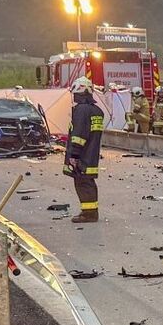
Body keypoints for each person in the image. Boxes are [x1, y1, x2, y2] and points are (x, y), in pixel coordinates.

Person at [63, 77, 105, 224]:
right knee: (89, 183)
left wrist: (74, 155)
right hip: (92, 155)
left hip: (82, 156)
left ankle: (88, 214)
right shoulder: (97, 111)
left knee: (82, 183)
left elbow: (79, 135)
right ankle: (91, 211)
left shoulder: (81, 110)